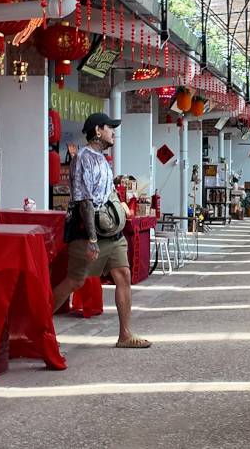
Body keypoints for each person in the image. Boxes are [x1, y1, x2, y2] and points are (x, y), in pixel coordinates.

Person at [52, 113, 151, 349]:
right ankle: (36, 326)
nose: (113, 132)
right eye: (110, 128)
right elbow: (85, 201)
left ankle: (125, 334)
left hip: (113, 233)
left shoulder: (103, 159)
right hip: (89, 233)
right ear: (98, 131)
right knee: (75, 281)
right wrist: (93, 239)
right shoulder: (83, 158)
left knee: (123, 275)